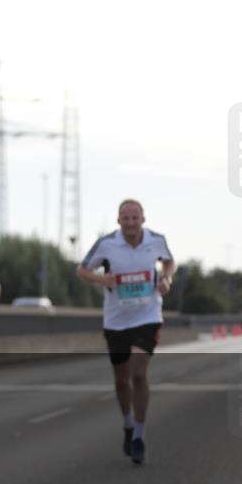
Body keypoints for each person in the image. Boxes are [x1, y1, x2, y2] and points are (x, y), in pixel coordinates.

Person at [75, 199, 175, 466]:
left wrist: (166, 279)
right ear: (118, 221)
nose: (130, 222)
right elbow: (82, 269)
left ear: (143, 218)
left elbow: (169, 262)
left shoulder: (156, 240)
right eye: (125, 218)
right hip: (116, 320)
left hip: (148, 315)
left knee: (138, 373)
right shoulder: (107, 243)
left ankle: (140, 437)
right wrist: (102, 279)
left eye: (135, 217)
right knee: (121, 380)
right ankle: (128, 425)